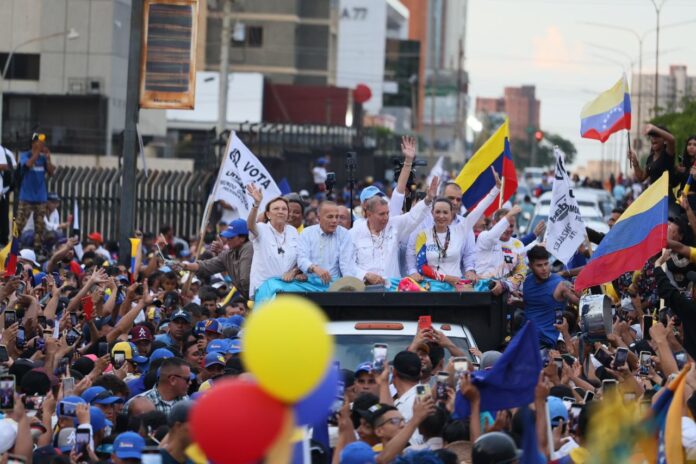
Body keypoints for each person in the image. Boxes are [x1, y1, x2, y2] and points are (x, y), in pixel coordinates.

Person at [350, 178, 438, 287]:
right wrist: (365, 275)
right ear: (369, 214)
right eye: (381, 214)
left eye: (387, 213)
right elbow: (348, 264)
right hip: (365, 291)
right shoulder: (354, 233)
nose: (386, 217)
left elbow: (412, 217)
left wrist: (428, 199)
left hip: (392, 290)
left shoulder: (394, 225)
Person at [246, 185, 300, 299]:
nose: (280, 211)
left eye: (284, 209)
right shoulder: (261, 228)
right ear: (268, 214)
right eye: (276, 209)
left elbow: (300, 257)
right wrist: (256, 204)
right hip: (264, 289)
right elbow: (250, 226)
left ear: (288, 214)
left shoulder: (293, 232)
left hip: (287, 289)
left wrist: (295, 271)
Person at [181, 219, 253, 300]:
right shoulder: (231, 253)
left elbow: (245, 280)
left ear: (242, 238)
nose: (227, 240)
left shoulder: (249, 247)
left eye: (231, 237)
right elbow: (207, 265)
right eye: (227, 237)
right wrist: (184, 265)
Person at [523, 245, 579, 348]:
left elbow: (582, 304)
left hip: (544, 343)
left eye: (546, 264)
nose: (544, 268)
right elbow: (532, 305)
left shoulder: (561, 284)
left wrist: (580, 294)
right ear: (530, 266)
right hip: (523, 338)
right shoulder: (526, 281)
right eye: (539, 265)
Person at [15, 132, 56, 254]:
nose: (42, 144)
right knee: (19, 223)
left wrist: (48, 158)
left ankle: (38, 249)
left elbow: (51, 172)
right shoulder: (25, 155)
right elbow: (27, 164)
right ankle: (14, 245)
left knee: (39, 226)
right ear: (33, 143)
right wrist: (37, 152)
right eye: (39, 142)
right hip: (26, 197)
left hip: (40, 198)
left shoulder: (43, 158)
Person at [298, 200, 353, 284]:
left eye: (337, 216)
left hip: (333, 283)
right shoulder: (306, 233)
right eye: (330, 217)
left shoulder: (344, 234)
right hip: (310, 283)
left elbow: (346, 265)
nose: (335, 220)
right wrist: (315, 268)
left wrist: (348, 284)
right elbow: (301, 259)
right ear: (319, 218)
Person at [475, 206, 526, 296]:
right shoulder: (484, 237)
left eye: (511, 226)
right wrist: (510, 214)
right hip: (482, 291)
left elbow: (521, 272)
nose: (508, 229)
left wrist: (506, 286)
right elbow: (492, 236)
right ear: (495, 223)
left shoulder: (518, 244)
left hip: (505, 293)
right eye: (505, 225)